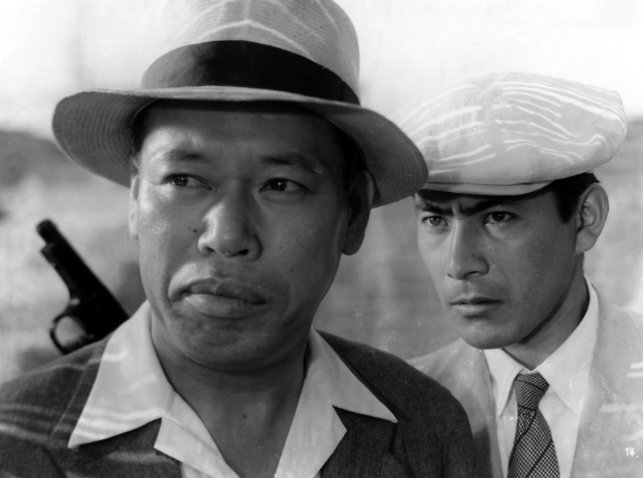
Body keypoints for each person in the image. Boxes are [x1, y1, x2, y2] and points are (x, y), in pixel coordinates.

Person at [0, 1, 476, 477]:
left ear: (352, 214)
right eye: (184, 179)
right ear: (135, 198)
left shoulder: (426, 429)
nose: (226, 236)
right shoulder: (12, 441)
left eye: (280, 185)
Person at [401, 71, 643, 478]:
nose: (459, 265)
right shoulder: (394, 407)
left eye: (497, 217)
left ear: (585, 218)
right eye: (435, 219)